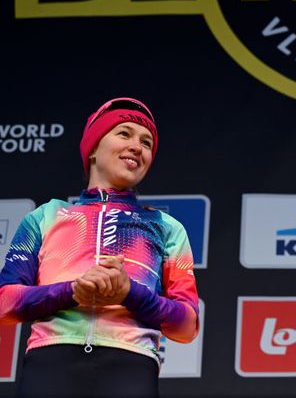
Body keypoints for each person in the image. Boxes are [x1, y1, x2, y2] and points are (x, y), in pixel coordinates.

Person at [0, 97, 200, 397]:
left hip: (130, 366)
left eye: (146, 142)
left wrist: (129, 293)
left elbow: (186, 325)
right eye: (124, 133)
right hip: (50, 363)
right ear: (93, 148)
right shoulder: (45, 216)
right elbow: (5, 303)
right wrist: (71, 291)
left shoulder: (167, 227)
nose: (137, 146)